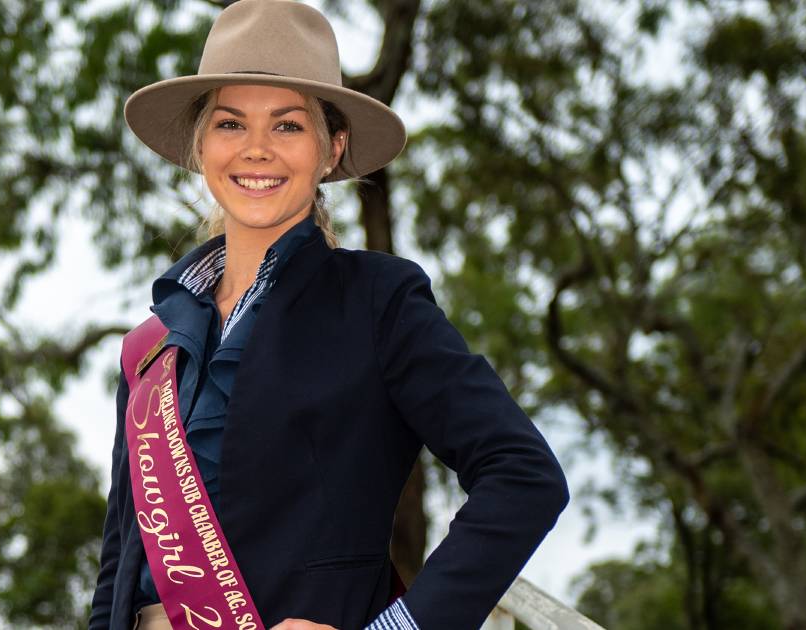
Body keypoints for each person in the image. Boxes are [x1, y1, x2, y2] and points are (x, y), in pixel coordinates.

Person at [88, 1, 569, 629]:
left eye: (287, 126)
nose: (256, 149)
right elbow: (118, 566)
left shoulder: (378, 302)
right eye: (231, 124)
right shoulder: (151, 348)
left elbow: (524, 475)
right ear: (201, 145)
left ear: (331, 147)